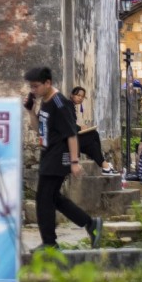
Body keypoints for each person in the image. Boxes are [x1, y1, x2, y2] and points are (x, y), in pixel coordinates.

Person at [24, 66, 102, 250]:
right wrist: (31, 111)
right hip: (48, 153)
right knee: (54, 198)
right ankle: (90, 224)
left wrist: (75, 162)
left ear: (47, 83)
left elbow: (72, 134)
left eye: (36, 86)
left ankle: (50, 243)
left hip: (58, 157)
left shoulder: (60, 103)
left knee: (43, 199)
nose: (33, 90)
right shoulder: (45, 100)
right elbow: (39, 129)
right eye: (31, 87)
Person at [69, 86, 118, 176]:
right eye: (78, 95)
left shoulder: (71, 106)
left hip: (74, 137)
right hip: (69, 140)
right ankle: (104, 165)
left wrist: (80, 128)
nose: (80, 98)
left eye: (82, 96)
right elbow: (68, 124)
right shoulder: (68, 106)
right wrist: (80, 128)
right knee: (93, 135)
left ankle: (104, 166)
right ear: (72, 95)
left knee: (93, 145)